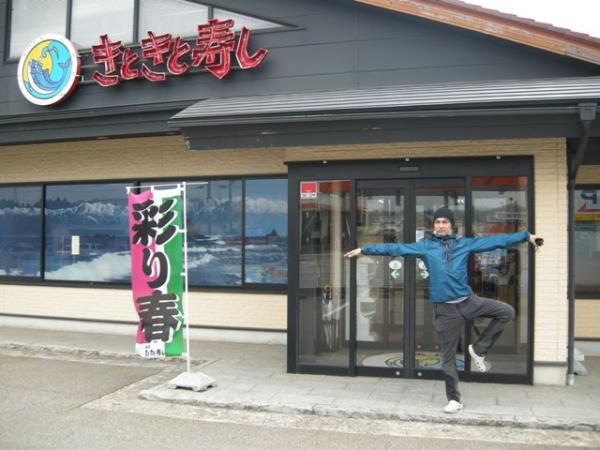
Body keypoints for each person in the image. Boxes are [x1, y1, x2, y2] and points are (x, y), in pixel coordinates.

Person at [344, 207, 542, 414]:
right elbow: (397, 248)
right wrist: (364, 249)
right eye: (437, 222)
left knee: (506, 312)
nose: (441, 225)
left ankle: (479, 349)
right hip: (446, 311)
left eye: (444, 222)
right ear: (433, 226)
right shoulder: (426, 247)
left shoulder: (464, 244)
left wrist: (526, 236)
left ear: (451, 226)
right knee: (448, 359)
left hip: (469, 301)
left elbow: (496, 241)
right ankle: (454, 399)